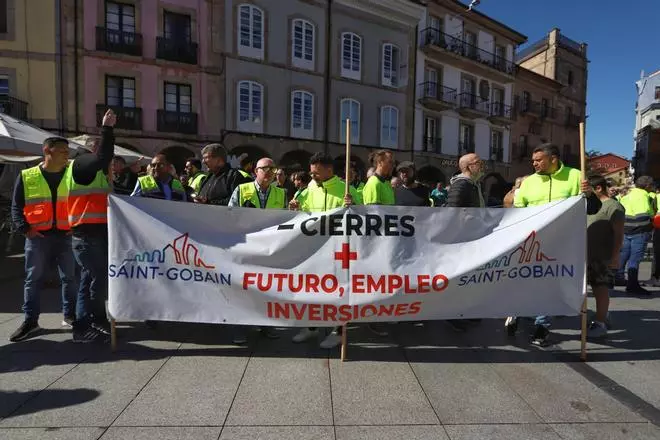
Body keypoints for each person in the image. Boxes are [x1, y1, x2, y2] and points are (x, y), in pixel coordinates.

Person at [512, 143, 600, 346]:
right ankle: (518, 312)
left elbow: (593, 208)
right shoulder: (529, 182)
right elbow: (518, 210)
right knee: (527, 282)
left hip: (563, 242)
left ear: (553, 159)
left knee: (551, 284)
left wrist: (588, 194)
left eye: (538, 160)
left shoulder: (576, 176)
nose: (534, 164)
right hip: (533, 242)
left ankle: (542, 326)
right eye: (533, 161)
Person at [9, 137, 77, 342]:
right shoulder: (27, 175)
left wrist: (76, 227)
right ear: (48, 151)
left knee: (70, 278)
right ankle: (31, 321)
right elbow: (16, 206)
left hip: (66, 235)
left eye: (68, 151)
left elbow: (80, 202)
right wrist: (25, 229)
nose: (67, 155)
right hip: (38, 236)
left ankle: (70, 316)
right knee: (33, 280)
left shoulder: (72, 174)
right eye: (63, 151)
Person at [289, 153, 359, 348]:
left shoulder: (347, 190)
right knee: (313, 288)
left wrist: (353, 206)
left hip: (339, 250)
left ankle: (339, 330)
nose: (312, 177)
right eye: (311, 173)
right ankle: (311, 327)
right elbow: (304, 216)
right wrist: (295, 208)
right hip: (315, 249)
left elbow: (364, 217)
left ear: (329, 170)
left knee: (339, 290)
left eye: (316, 173)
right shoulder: (310, 189)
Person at [68, 109, 117, 343]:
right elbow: (102, 158)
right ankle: (83, 326)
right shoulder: (81, 165)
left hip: (93, 233)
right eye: (96, 144)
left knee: (91, 280)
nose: (100, 148)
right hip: (87, 234)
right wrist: (107, 128)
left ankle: (95, 320)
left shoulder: (90, 170)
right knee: (93, 280)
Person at [228, 157, 286, 344]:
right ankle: (239, 328)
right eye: (264, 168)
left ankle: (266, 326)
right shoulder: (241, 189)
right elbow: (230, 216)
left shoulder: (281, 193)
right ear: (256, 171)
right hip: (246, 247)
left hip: (270, 249)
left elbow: (286, 220)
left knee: (266, 287)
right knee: (242, 289)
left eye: (272, 168)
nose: (269, 172)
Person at [586, 174, 625, 338]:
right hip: (585, 253)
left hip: (602, 255)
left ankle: (600, 321)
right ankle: (603, 314)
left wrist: (615, 256)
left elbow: (619, 234)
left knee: (600, 288)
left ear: (598, 188)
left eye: (588, 190)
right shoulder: (587, 205)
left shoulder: (614, 207)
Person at [615, 175, 655, 294]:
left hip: (625, 229)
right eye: (651, 185)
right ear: (647, 186)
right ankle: (632, 284)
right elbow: (643, 216)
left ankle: (618, 278)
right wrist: (651, 220)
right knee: (635, 258)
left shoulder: (627, 195)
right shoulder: (643, 196)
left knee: (624, 254)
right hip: (639, 231)